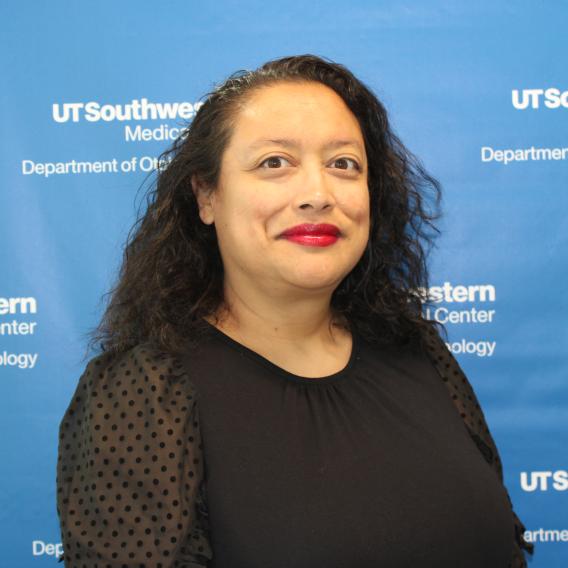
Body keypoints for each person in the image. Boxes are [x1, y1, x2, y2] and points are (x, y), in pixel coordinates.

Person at [56, 54, 534, 567]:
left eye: (343, 164)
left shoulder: (419, 352)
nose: (317, 194)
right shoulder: (141, 392)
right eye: (275, 163)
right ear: (207, 195)